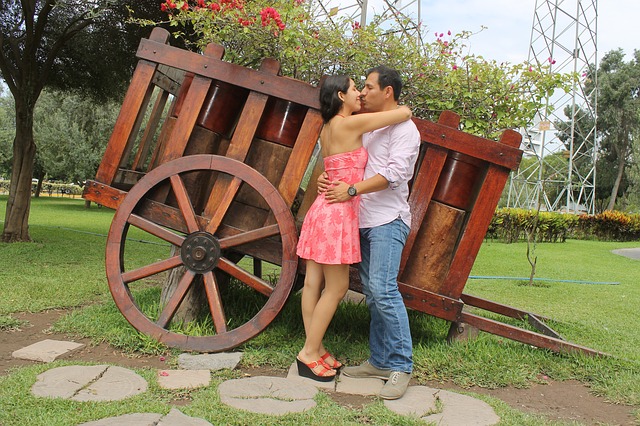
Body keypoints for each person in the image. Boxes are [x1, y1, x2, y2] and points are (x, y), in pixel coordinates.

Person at [296, 75, 412, 382]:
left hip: (322, 209)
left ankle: (316, 348)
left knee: (313, 283)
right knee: (337, 288)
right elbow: (402, 113)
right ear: (340, 95)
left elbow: (332, 166)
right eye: (355, 89)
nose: (360, 94)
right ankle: (308, 353)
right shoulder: (350, 124)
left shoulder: (327, 127)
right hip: (338, 213)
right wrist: (402, 107)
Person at [320, 66, 421, 399]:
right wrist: (327, 179)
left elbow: (395, 175)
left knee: (383, 290)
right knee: (373, 295)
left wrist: (351, 190)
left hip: (387, 221)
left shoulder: (405, 129)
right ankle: (379, 361)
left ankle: (401, 365)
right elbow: (348, 162)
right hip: (360, 220)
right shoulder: (370, 125)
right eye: (360, 87)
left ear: (387, 91)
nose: (362, 92)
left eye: (368, 87)